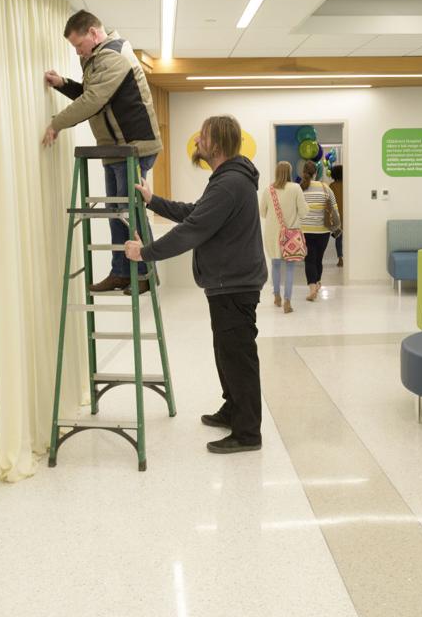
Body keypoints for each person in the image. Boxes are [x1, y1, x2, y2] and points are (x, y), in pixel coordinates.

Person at [124, 115, 268, 454]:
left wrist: (145, 253)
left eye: (203, 136)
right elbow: (196, 213)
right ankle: (233, 409)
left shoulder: (229, 183)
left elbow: (191, 230)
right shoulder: (227, 179)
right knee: (226, 353)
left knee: (238, 358)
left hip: (234, 284)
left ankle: (248, 433)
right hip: (228, 282)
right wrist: (154, 200)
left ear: (217, 144)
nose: (197, 141)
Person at [43, 10, 162, 295]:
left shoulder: (114, 56)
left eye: (78, 44)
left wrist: (56, 124)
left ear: (94, 33)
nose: (77, 51)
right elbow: (91, 93)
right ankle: (121, 272)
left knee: (129, 212)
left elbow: (93, 100)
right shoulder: (96, 57)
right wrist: (63, 84)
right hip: (116, 148)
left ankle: (145, 274)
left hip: (134, 147)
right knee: (116, 212)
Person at [258, 161, 306, 313]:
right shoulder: (296, 188)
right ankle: (287, 301)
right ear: (289, 172)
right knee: (290, 268)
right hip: (290, 235)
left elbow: (262, 212)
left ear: (277, 172)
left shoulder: (269, 190)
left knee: (276, 265)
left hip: (273, 234)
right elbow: (304, 212)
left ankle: (277, 296)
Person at [298, 160, 340, 302]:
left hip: (305, 230)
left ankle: (312, 288)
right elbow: (334, 208)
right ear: (316, 173)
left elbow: (296, 209)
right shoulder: (325, 187)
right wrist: (336, 225)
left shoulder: (300, 189)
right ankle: (316, 284)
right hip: (323, 231)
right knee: (318, 259)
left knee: (309, 260)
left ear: (303, 172)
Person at [328, 164, 345, 268]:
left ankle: (340, 258)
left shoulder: (331, 186)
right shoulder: (347, 185)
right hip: (347, 216)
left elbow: (329, 202)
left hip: (337, 217)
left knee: (338, 239)